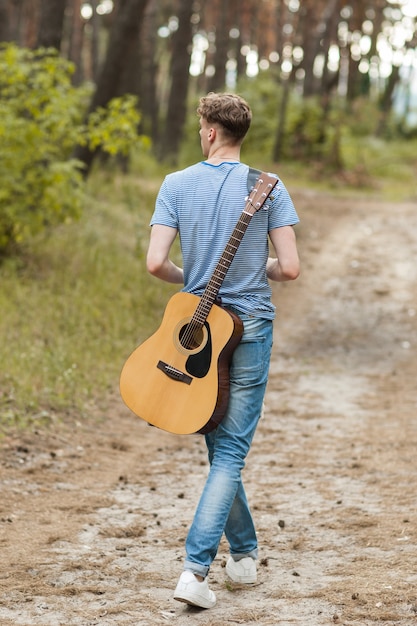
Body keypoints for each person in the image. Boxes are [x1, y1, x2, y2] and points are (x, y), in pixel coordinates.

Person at [146, 92, 300, 609]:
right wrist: (260, 270)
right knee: (228, 449)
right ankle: (195, 571)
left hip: (200, 323)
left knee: (219, 446)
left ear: (210, 131)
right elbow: (291, 267)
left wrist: (196, 282)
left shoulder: (175, 184)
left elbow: (155, 263)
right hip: (251, 321)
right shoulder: (269, 188)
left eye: (199, 126)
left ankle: (244, 556)